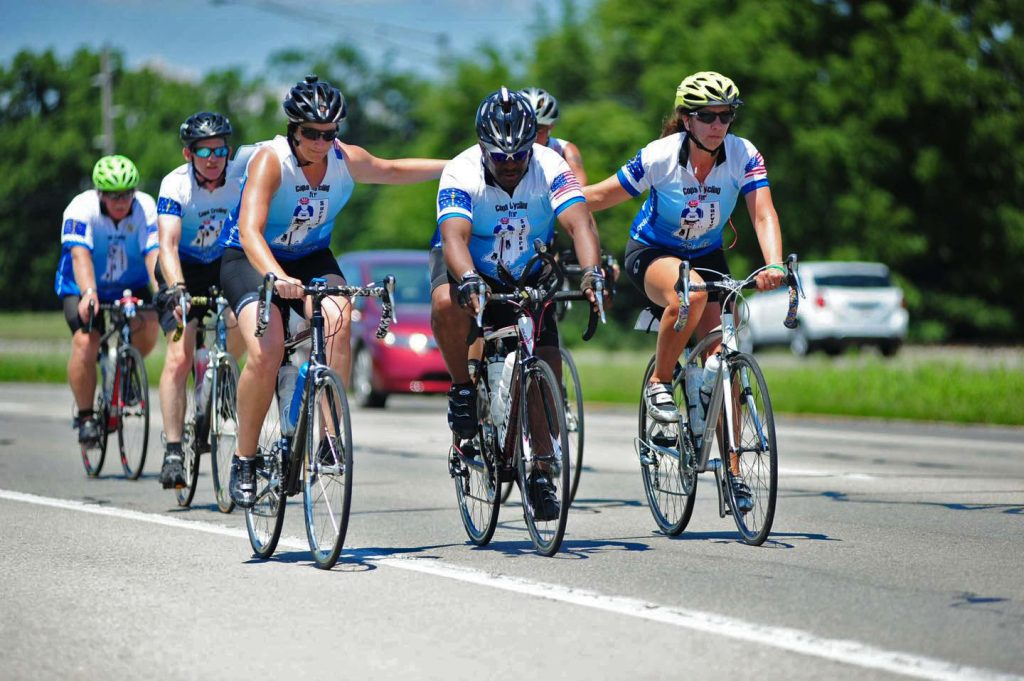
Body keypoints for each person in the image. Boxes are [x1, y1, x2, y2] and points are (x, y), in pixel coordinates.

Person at [221, 75, 447, 508]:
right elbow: (249, 230)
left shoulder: (345, 158)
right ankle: (244, 458)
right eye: (311, 133)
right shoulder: (272, 162)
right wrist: (276, 276)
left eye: (330, 133)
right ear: (293, 128)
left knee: (340, 318)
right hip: (250, 259)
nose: (322, 142)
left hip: (310, 256)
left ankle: (328, 433)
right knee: (267, 350)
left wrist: (458, 163)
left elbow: (394, 169)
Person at [583, 71, 784, 506]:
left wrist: (772, 263)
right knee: (689, 293)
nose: (718, 124)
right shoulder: (659, 156)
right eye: (707, 115)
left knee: (722, 358)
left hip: (708, 254)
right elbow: (600, 196)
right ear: (686, 120)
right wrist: (554, 201)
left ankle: (732, 472)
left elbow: (763, 214)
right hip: (653, 251)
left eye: (726, 115)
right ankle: (659, 382)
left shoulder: (744, 154)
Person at [430, 86, 604, 521]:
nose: (510, 165)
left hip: (529, 265)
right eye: (500, 157)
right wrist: (469, 278)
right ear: (483, 148)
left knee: (544, 361)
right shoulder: (460, 170)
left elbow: (580, 223)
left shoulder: (551, 165)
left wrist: (591, 273)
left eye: (519, 156)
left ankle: (541, 469)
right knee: (447, 304)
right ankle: (463, 390)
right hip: (471, 260)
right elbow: (454, 236)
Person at [155, 111, 245, 489]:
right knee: (178, 357)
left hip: (223, 263)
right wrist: (177, 287)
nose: (212, 157)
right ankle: (174, 449)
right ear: (187, 154)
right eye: (203, 150)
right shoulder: (175, 185)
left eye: (220, 149)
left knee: (249, 325)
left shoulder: (242, 175)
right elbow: (167, 244)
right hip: (184, 268)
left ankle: (218, 371)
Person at [55, 155, 161, 445]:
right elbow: (80, 255)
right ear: (99, 192)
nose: (121, 200)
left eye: (127, 193)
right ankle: (87, 416)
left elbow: (153, 254)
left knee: (150, 322)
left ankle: (125, 369)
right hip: (83, 284)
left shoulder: (146, 208)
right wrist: (89, 293)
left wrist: (161, 289)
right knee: (86, 343)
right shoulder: (80, 208)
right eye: (113, 194)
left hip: (131, 283)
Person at [519, 87, 588, 185]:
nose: (532, 136)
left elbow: (580, 187)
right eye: (525, 128)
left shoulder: (564, 150)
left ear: (551, 126)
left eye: (539, 129)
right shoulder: (498, 151)